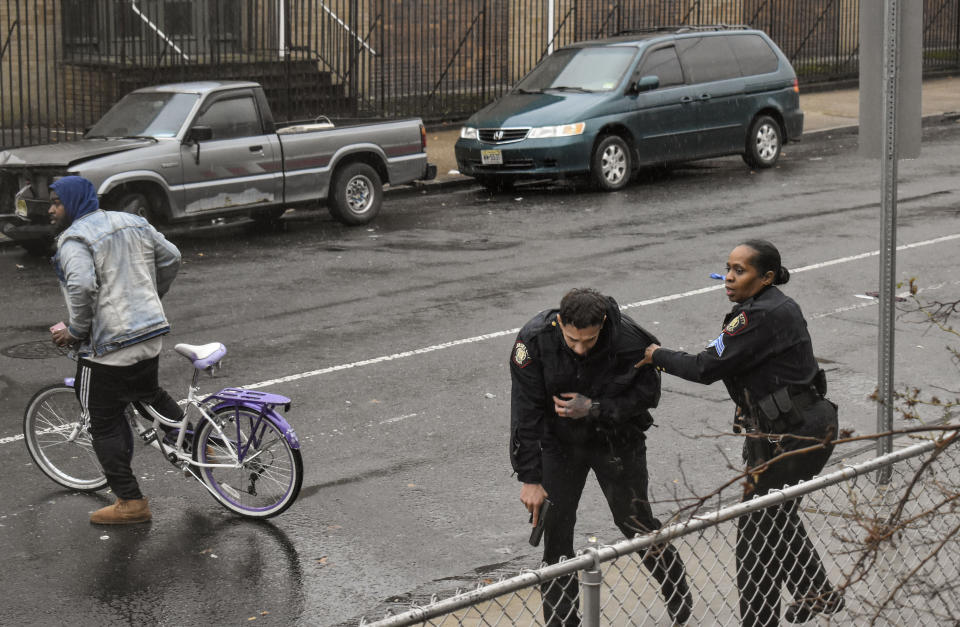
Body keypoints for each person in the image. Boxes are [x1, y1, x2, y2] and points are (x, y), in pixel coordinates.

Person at [635, 240, 844, 626]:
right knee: (777, 518)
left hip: (793, 434)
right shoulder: (769, 306)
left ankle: (765, 617)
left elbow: (704, 367)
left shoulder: (757, 316)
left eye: (740, 270)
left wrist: (655, 356)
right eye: (727, 268)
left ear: (765, 277)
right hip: (790, 429)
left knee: (755, 537)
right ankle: (816, 591)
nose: (729, 278)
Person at [510, 287, 693, 626]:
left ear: (603, 324)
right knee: (557, 534)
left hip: (615, 439)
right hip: (560, 444)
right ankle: (563, 620)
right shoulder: (534, 341)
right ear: (560, 322)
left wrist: (595, 409)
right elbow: (525, 413)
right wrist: (530, 478)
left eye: (589, 341)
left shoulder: (629, 339)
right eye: (572, 340)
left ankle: (675, 586)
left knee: (634, 523)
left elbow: (648, 395)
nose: (580, 349)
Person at [48, 175, 182, 525]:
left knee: (102, 421)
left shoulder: (74, 239)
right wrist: (151, 299)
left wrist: (75, 330)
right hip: (150, 334)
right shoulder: (131, 221)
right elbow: (172, 257)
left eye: (56, 202)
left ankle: (130, 502)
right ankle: (201, 444)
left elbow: (81, 285)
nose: (51, 209)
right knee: (147, 391)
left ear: (73, 203)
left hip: (109, 348)